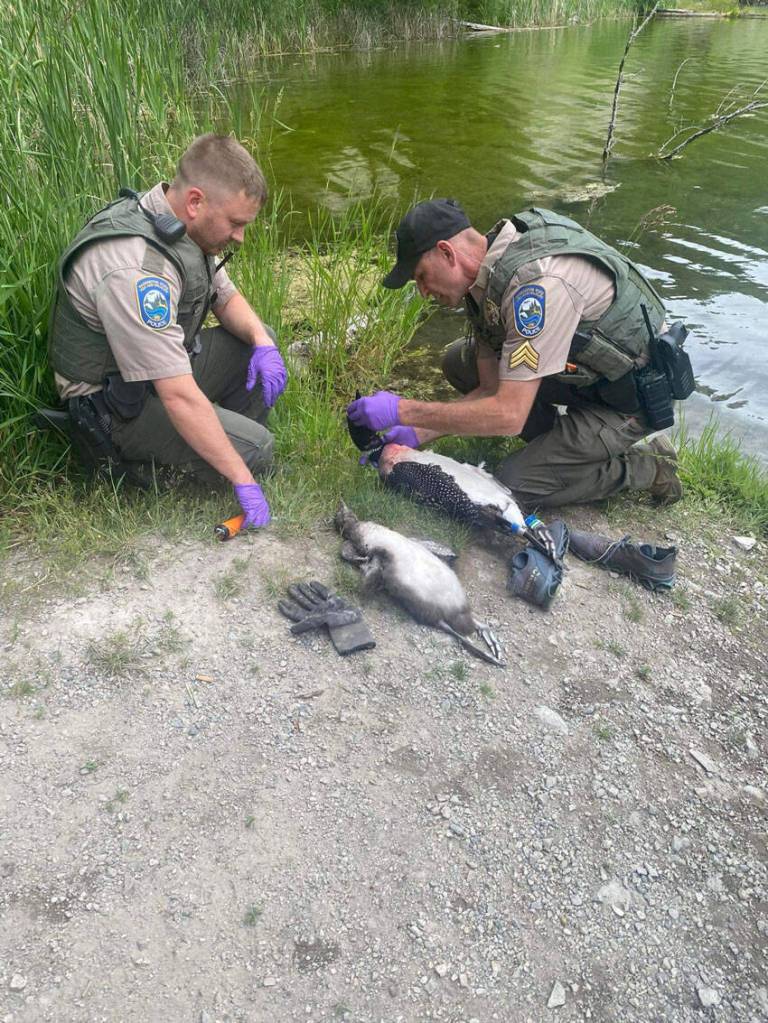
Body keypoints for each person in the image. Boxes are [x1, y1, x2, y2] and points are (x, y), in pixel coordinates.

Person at [348, 199, 688, 510]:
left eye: (420, 276)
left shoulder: (535, 289)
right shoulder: (485, 278)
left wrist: (404, 411)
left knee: (511, 485)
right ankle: (562, 446)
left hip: (625, 403)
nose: (422, 292)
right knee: (459, 362)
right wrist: (418, 432)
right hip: (584, 376)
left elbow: (508, 413)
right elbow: (489, 387)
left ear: (447, 252)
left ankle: (649, 467)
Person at [49, 133, 287, 528]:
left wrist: (263, 343)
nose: (240, 237)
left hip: (146, 379)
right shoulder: (138, 268)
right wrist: (242, 479)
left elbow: (224, 298)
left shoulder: (177, 226)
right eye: (236, 223)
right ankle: (142, 471)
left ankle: (212, 439)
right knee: (257, 451)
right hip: (112, 405)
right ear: (196, 201)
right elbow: (176, 394)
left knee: (259, 338)